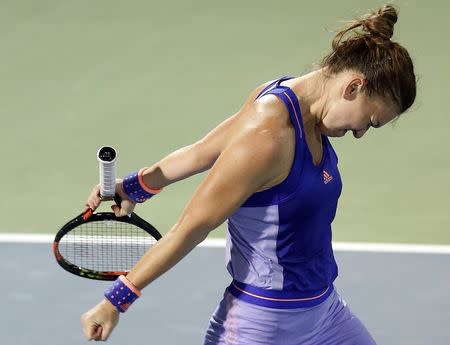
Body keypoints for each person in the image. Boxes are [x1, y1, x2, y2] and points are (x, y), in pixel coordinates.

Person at [81, 4, 416, 344]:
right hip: (262, 326)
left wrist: (137, 186)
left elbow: (203, 152)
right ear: (353, 88)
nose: (360, 133)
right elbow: (190, 227)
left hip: (325, 314)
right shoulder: (268, 138)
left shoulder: (294, 104)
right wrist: (116, 301)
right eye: (370, 121)